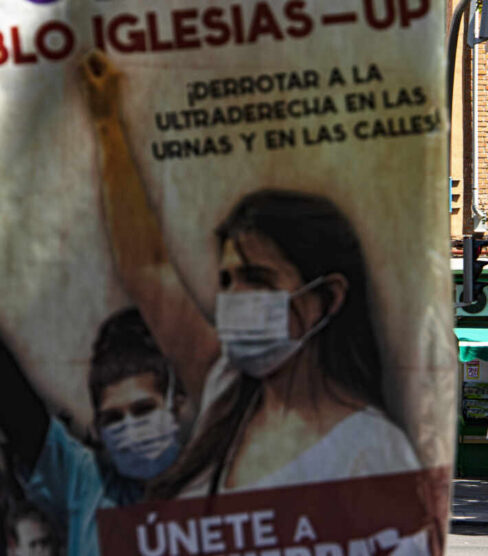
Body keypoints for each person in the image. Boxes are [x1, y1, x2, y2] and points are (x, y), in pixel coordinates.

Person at [80, 51, 421, 500]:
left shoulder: (375, 452)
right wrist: (108, 126)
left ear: (327, 297)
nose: (235, 299)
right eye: (227, 281)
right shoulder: (225, 389)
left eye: (257, 278)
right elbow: (146, 266)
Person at [0, 309, 186, 555]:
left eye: (143, 410)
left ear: (177, 406)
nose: (130, 427)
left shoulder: (225, 483)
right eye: (114, 417)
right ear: (98, 428)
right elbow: (21, 415)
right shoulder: (86, 485)